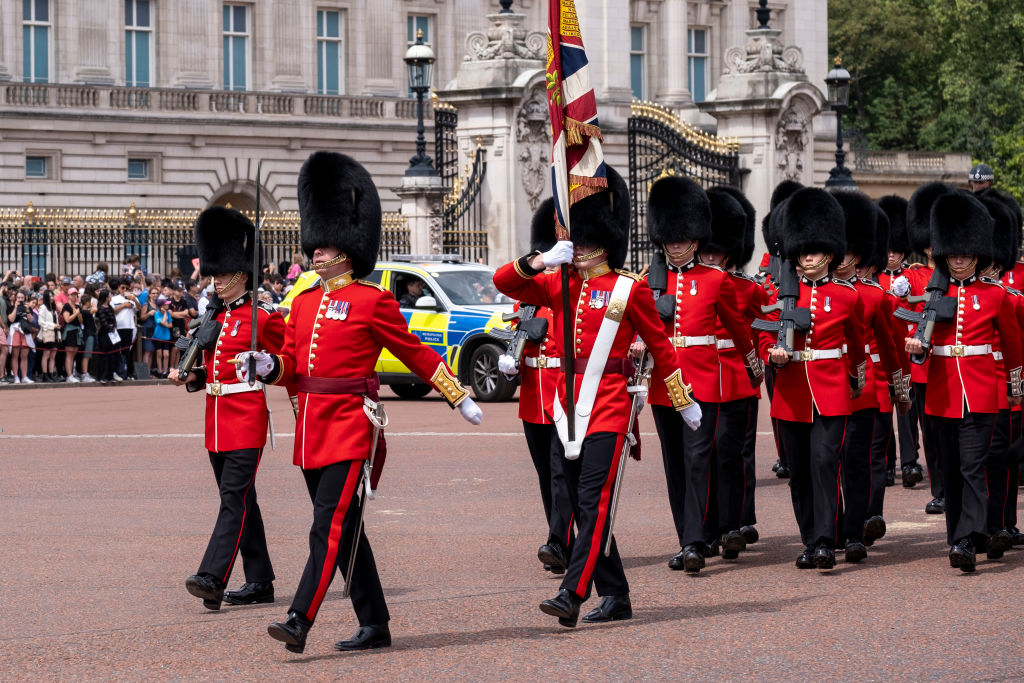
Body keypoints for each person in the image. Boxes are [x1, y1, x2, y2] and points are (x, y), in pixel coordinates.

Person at [239, 151, 483, 655]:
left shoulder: (373, 300)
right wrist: (270, 369)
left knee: (326, 526)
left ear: (348, 250)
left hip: (351, 425)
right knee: (346, 527)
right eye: (316, 245)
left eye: (325, 246)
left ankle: (298, 618)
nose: (316, 254)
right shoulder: (303, 302)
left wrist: (455, 393)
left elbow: (413, 351)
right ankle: (375, 622)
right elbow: (291, 363)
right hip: (311, 427)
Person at [494, 166, 700, 628]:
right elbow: (504, 281)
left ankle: (573, 591)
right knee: (580, 499)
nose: (581, 249)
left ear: (605, 242)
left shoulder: (629, 288)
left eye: (587, 243)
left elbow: (661, 347)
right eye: (577, 243)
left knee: (594, 498)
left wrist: (681, 397)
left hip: (610, 403)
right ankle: (617, 593)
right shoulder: (556, 283)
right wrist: (541, 260)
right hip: (567, 405)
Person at [170, 207, 290, 612]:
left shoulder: (261, 318)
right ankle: (259, 580)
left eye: (223, 274)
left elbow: (285, 362)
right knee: (242, 500)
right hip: (216, 420)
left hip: (246, 419)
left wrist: (269, 367)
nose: (216, 280)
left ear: (242, 273)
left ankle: (212, 576)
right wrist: (192, 377)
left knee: (232, 500)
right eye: (214, 275)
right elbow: (213, 369)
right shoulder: (216, 318)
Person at [640, 177, 762, 573]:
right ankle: (687, 537)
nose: (675, 245)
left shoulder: (716, 280)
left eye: (683, 238)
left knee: (697, 461)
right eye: (670, 238)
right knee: (675, 465)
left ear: (695, 237)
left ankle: (695, 541)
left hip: (703, 381)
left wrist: (751, 360)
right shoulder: (647, 283)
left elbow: (739, 326)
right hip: (663, 384)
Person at [904, 190, 1022, 572]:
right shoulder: (931, 297)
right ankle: (960, 537)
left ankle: (968, 539)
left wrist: (1015, 391)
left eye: (964, 254)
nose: (957, 260)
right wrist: (915, 347)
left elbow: (1014, 350)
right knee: (950, 470)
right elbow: (917, 337)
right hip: (941, 394)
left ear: (976, 253)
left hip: (981, 394)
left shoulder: (996, 296)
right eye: (952, 254)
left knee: (973, 466)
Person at [760, 187, 866, 570]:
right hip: (791, 392)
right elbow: (762, 333)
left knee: (825, 462)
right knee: (800, 473)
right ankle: (810, 539)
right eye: (803, 250)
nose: (808, 256)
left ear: (830, 253)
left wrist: (856, 381)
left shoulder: (847, 296)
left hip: (832, 390)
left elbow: (855, 345)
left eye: (815, 250)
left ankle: (825, 541)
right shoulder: (779, 291)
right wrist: (770, 353)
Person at [497, 198, 575, 575]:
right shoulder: (534, 293)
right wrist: (511, 363)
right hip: (533, 398)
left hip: (564, 394)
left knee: (562, 472)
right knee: (547, 474)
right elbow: (506, 282)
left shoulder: (572, 289)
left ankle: (559, 540)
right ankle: (560, 539)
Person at [830, 191, 909, 562]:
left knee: (866, 457)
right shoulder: (816, 293)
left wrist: (899, 388)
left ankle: (862, 520)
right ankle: (833, 527)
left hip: (869, 383)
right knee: (830, 459)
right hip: (829, 381)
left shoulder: (877, 296)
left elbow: (892, 347)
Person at [893, 182, 953, 514]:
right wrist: (898, 289)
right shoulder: (915, 276)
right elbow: (896, 307)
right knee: (930, 434)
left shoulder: (958, 279)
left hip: (952, 366)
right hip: (923, 367)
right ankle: (940, 489)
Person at [876, 195, 925, 488]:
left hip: (906, 354)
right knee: (882, 414)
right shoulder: (874, 278)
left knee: (907, 413)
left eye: (896, 250)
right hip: (882, 357)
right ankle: (885, 465)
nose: (892, 255)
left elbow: (922, 311)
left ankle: (909, 462)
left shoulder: (915, 277)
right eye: (888, 250)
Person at [93, 288, 118, 384]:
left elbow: (114, 319)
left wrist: (114, 327)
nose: (111, 297)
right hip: (104, 334)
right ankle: (102, 376)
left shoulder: (110, 307)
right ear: (107, 297)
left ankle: (110, 375)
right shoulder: (100, 308)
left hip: (112, 333)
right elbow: (103, 322)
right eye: (110, 295)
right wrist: (110, 327)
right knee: (104, 355)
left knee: (112, 355)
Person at [7, 290, 32, 383]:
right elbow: (11, 319)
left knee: (24, 355)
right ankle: (16, 376)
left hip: (25, 332)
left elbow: (31, 320)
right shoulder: (11, 306)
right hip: (15, 331)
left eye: (22, 298)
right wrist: (15, 308)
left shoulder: (27, 307)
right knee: (15, 355)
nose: (20, 299)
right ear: (15, 298)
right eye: (18, 298)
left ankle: (24, 377)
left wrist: (27, 310)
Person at [61, 288, 84, 382]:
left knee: (74, 353)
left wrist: (78, 314)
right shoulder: (66, 306)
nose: (75, 296)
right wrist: (75, 314)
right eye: (73, 294)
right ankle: (69, 375)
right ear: (69, 296)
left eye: (76, 295)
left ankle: (71, 373)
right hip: (70, 331)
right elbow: (67, 320)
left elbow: (81, 321)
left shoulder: (78, 306)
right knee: (69, 354)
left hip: (77, 331)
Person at [152, 297, 173, 377]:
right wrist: (164, 314)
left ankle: (165, 371)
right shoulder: (157, 314)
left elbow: (170, 325)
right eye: (166, 304)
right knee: (159, 354)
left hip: (166, 336)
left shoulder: (168, 313)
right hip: (158, 336)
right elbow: (162, 322)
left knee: (166, 354)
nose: (168, 305)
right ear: (161, 306)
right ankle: (160, 371)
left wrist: (165, 324)